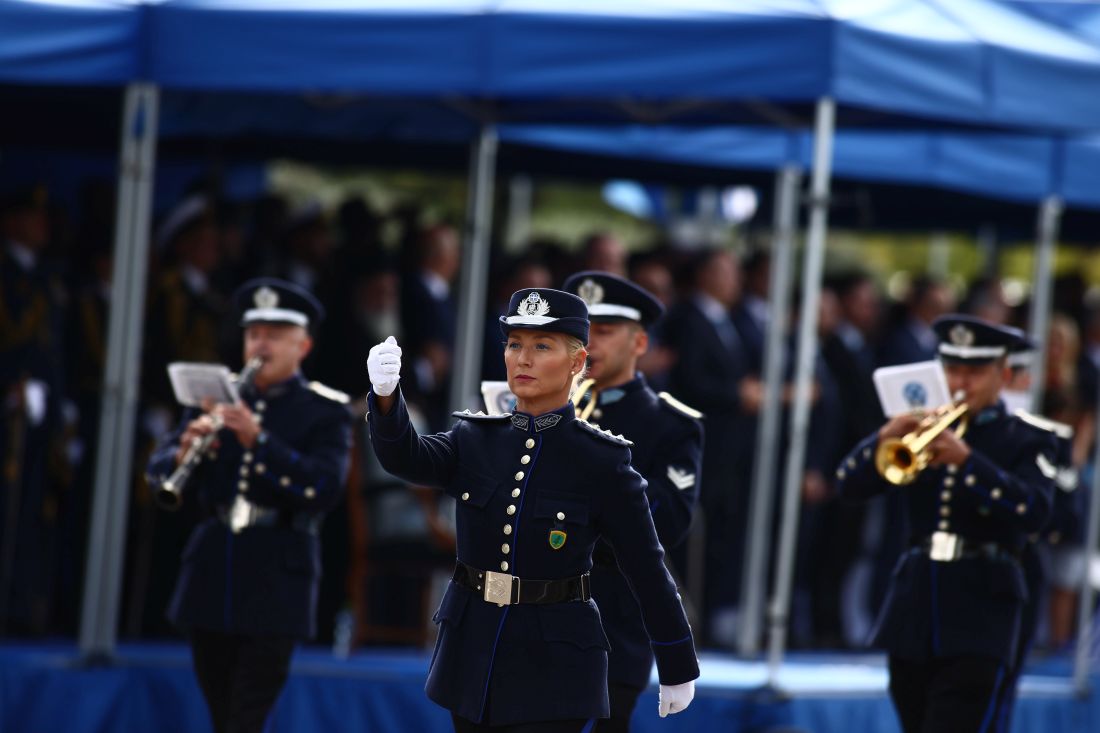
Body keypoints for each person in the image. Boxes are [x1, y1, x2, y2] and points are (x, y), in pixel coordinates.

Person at [366, 288, 699, 731]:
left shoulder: (601, 460)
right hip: (473, 653)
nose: (522, 359)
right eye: (515, 344)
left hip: (553, 665)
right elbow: (407, 458)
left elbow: (647, 567)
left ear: (577, 363)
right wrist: (388, 401)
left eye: (542, 346)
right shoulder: (475, 438)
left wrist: (676, 662)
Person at [146, 278, 353, 733]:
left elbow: (324, 488)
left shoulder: (325, 411)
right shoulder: (217, 400)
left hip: (278, 576)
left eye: (275, 336)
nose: (262, 344)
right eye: (254, 334)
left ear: (303, 345)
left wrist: (259, 442)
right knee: (222, 712)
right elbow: (157, 475)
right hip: (212, 569)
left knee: (246, 715)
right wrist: (184, 451)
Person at [835, 314, 1057, 733]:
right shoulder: (922, 429)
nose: (961, 382)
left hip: (983, 609)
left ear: (1004, 374)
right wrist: (882, 439)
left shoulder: (1027, 438)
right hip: (917, 603)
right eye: (952, 369)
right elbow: (849, 486)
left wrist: (969, 462)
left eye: (974, 372)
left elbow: (1037, 512)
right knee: (913, 718)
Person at [562, 271, 704, 731]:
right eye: (582, 332)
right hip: (532, 618)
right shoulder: (541, 410)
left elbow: (671, 518)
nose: (590, 345)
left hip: (612, 620)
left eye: (603, 332)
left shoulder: (669, 423)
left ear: (640, 343)